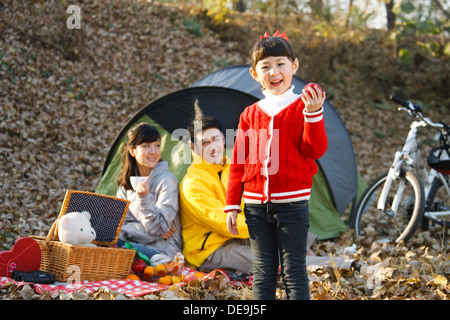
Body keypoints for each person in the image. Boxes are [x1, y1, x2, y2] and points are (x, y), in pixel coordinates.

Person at [224, 30, 327, 300]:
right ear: (255, 74)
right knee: (263, 270)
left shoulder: (303, 107)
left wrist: (314, 115)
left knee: (293, 270)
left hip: (293, 206)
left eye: (281, 64)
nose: (274, 72)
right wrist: (233, 204)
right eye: (265, 66)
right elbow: (239, 162)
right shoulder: (250, 113)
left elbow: (314, 149)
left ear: (294, 66)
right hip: (256, 207)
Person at [179, 104, 253, 275]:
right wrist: (261, 226)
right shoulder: (193, 184)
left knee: (289, 231)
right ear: (193, 147)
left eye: (216, 139)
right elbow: (222, 222)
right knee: (269, 258)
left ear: (223, 139)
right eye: (205, 143)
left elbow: (248, 201)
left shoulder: (231, 167)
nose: (213, 147)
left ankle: (316, 266)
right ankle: (324, 266)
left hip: (235, 235)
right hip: (209, 249)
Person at [116, 123, 182, 260]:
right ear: (132, 151)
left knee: (120, 251)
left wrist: (144, 198)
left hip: (164, 252)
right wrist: (151, 233)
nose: (153, 151)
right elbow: (119, 229)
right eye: (146, 146)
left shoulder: (167, 181)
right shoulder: (125, 186)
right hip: (133, 245)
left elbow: (161, 227)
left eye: (157, 145)